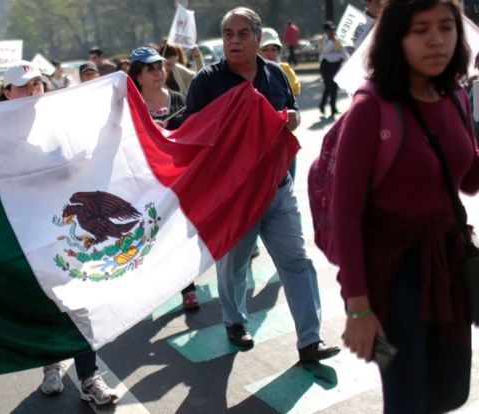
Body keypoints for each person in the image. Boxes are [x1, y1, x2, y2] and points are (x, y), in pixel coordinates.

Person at [333, 1, 479, 412]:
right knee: (403, 391)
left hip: (447, 268)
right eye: (420, 30)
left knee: (449, 390)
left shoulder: (455, 96)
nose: (437, 40)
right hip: (389, 281)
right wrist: (358, 309)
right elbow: (343, 214)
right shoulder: (370, 107)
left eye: (447, 27)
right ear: (396, 37)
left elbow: (466, 180)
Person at [184, 7, 340, 362]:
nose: (234, 40)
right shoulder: (207, 81)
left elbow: (293, 111)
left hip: (278, 187)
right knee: (235, 264)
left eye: (242, 34)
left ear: (257, 38)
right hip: (235, 196)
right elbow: (192, 133)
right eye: (228, 34)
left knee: (297, 260)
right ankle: (235, 321)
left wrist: (294, 118)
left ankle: (310, 340)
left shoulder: (275, 74)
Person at [0, 61, 118, 406]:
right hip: (26, 234)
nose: (33, 91)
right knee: (43, 304)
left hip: (66, 230)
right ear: (7, 93)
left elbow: (87, 151)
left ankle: (89, 377)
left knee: (80, 303)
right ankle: (51, 365)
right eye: (23, 86)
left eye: (37, 84)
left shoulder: (62, 119)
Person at [128, 47, 200, 309]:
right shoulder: (131, 109)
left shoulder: (181, 99)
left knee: (183, 234)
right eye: (150, 69)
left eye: (159, 66)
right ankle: (174, 287)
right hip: (149, 186)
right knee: (159, 238)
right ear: (138, 76)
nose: (158, 72)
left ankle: (187, 285)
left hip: (183, 181)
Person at [259, 27, 301, 180]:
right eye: (265, 49)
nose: (270, 53)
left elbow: (294, 101)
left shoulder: (283, 71)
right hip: (259, 150)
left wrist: (295, 117)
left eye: (274, 49)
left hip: (285, 144)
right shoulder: (244, 75)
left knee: (287, 193)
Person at [318, 21, 349, 117]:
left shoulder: (338, 40)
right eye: (329, 30)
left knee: (334, 87)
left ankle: (333, 108)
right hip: (326, 65)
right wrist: (332, 42)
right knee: (329, 86)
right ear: (325, 31)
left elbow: (344, 53)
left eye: (333, 29)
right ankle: (322, 105)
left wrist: (349, 61)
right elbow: (324, 51)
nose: (332, 31)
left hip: (336, 65)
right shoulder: (322, 40)